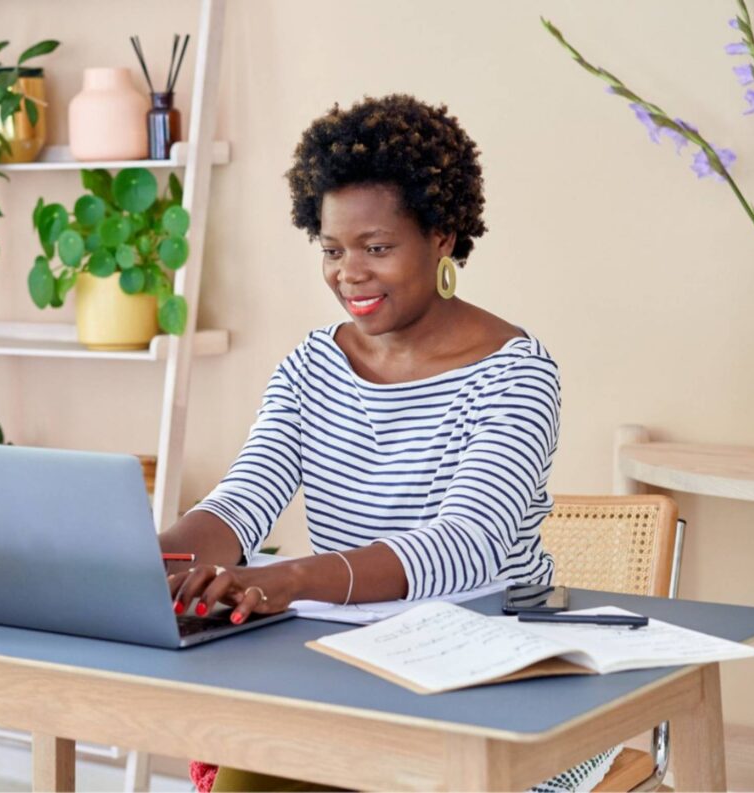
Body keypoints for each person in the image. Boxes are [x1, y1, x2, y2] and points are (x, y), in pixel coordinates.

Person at [160, 94, 619, 793]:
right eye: (333, 249)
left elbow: (466, 544)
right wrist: (156, 563)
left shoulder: (515, 372)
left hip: (494, 683)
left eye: (378, 248)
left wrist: (293, 577)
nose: (350, 273)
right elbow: (244, 499)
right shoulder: (312, 365)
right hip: (353, 670)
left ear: (442, 235)